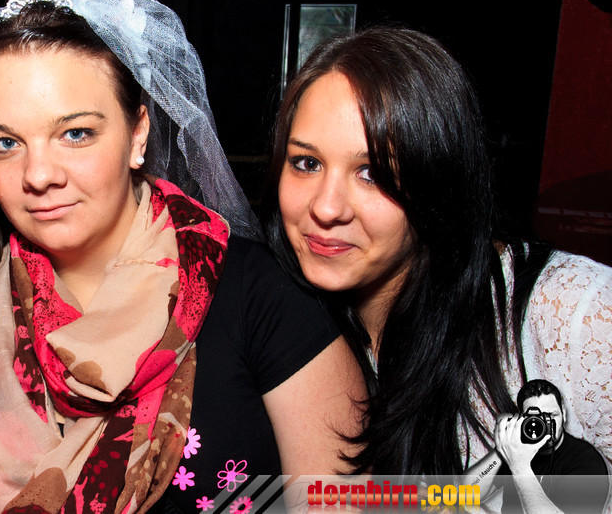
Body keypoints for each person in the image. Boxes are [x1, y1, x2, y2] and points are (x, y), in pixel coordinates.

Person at [0, 0, 366, 514]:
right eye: (5, 143)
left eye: (75, 134)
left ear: (138, 133)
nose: (38, 175)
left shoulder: (258, 296)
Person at [261, 26, 612, 486]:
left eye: (371, 173)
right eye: (306, 163)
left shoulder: (573, 312)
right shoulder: (278, 317)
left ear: (437, 179)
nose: (326, 208)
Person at [464, 379, 608, 513]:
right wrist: (502, 449)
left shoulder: (586, 459)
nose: (544, 424)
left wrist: (520, 469)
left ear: (563, 414)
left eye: (551, 415)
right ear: (522, 420)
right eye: (535, 419)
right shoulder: (516, 451)